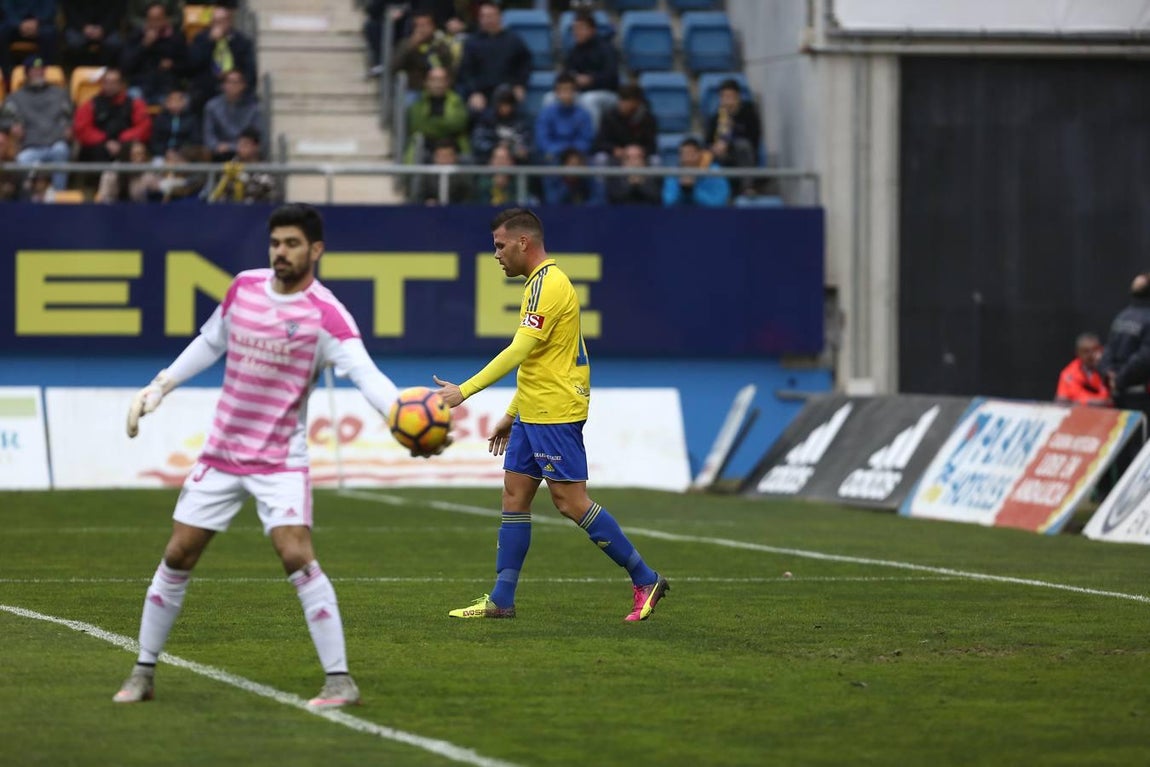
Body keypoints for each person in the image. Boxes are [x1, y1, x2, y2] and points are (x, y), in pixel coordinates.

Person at [113, 203, 445, 707]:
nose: (281, 253)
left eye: (292, 244)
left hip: (280, 460)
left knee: (296, 555)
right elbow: (209, 342)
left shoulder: (327, 315)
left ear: (316, 250)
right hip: (222, 452)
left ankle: (340, 681)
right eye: (275, 243)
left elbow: (366, 375)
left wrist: (403, 416)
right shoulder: (244, 288)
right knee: (178, 554)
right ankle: (143, 672)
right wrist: (159, 387)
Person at [433, 208, 670, 622]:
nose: (496, 255)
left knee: (570, 501)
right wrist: (512, 412)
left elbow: (519, 350)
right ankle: (501, 599)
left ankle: (645, 578)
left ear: (523, 242)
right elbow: (539, 359)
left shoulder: (550, 284)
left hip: (555, 410)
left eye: (500, 246)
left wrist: (464, 391)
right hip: (533, 409)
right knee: (514, 494)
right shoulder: (537, 283)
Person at [3, 54, 72, 190]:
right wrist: (12, 127)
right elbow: (4, 119)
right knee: (22, 159)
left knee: (62, 150)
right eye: (34, 70)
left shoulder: (60, 94)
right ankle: (26, 195)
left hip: (55, 143)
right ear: (27, 73)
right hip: (29, 146)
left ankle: (59, 194)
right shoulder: (14, 98)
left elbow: (69, 115)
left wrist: (68, 127)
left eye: (41, 70)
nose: (38, 73)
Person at [455, 0, 531, 116]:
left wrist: (520, 85)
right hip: (482, 94)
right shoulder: (471, 43)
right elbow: (466, 72)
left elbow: (525, 64)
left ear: (499, 17)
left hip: (507, 93)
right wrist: (474, 93)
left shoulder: (514, 41)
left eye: (491, 16)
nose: (487, 20)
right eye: (483, 16)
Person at [73, 66, 152, 162]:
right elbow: (82, 129)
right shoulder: (90, 105)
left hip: (126, 146)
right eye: (106, 82)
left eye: (114, 82)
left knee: (136, 149)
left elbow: (144, 127)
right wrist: (105, 141)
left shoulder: (135, 104)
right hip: (99, 147)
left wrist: (123, 140)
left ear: (121, 84)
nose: (110, 86)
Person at [1100, 273, 1150, 416]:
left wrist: (1109, 374)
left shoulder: (1122, 316)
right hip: (1141, 397)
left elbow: (1108, 351)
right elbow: (1144, 358)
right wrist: (1119, 379)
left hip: (1119, 393)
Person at [202, 68, 260, 162]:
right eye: (229, 82)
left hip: (245, 152)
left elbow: (255, 135)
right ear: (223, 85)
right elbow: (209, 135)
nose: (232, 86)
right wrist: (216, 146)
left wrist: (232, 147)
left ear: (243, 85)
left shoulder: (253, 108)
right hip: (219, 152)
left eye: (236, 82)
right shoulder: (212, 106)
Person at [662, 137, 729, 208]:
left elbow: (719, 202)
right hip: (679, 214)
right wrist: (683, 190)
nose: (687, 159)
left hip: (707, 214)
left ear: (700, 154)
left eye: (691, 154)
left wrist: (693, 191)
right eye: (683, 154)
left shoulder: (714, 172)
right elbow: (668, 202)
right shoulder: (674, 173)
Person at [1054, 332, 1110, 407]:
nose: (1091, 355)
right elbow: (1061, 400)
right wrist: (1088, 402)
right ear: (1078, 353)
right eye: (1086, 351)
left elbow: (1110, 401)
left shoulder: (1109, 371)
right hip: (1078, 412)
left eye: (1095, 350)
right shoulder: (1069, 373)